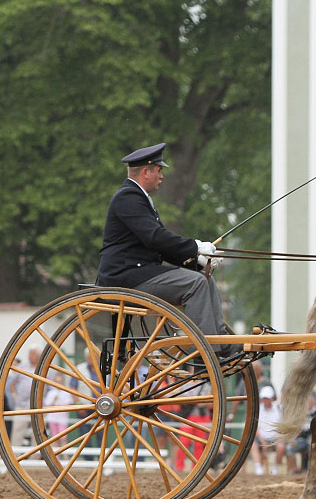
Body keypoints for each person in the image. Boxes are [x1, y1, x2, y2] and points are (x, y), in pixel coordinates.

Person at [96, 142, 239, 359]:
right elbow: (155, 238)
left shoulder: (139, 198)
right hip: (125, 277)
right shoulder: (128, 197)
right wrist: (196, 247)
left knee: (204, 278)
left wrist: (197, 261)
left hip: (139, 273)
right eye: (159, 171)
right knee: (196, 283)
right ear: (146, 172)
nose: (162, 176)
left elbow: (159, 245)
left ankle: (218, 341)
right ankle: (204, 353)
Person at [251, 385, 285, 476]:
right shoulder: (258, 409)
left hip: (275, 438)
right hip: (261, 438)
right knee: (253, 445)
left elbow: (282, 427)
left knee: (281, 446)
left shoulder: (279, 409)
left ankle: (276, 467)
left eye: (267, 398)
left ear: (272, 398)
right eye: (264, 398)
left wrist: (278, 438)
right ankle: (258, 467)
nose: (265, 400)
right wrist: (262, 441)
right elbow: (255, 429)